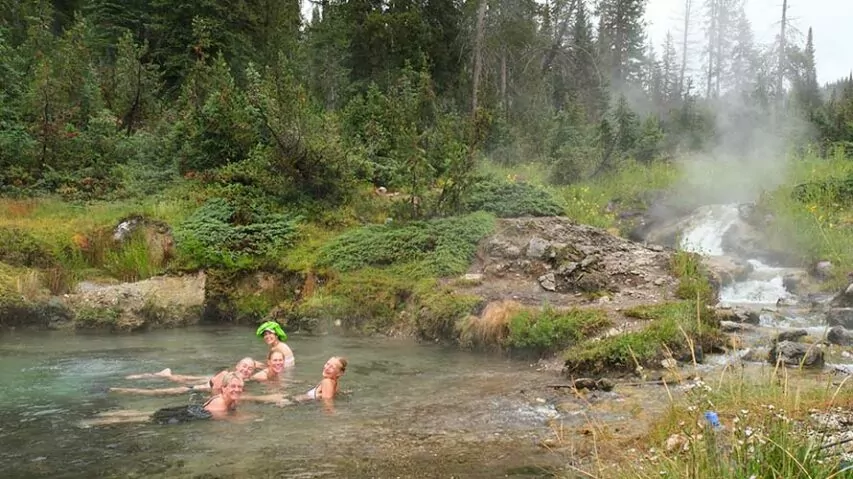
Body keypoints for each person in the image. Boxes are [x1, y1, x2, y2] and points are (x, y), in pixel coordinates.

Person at [80, 373, 245, 427]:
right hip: (187, 415)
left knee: (145, 414)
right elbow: (221, 421)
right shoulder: (221, 404)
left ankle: (106, 416)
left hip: (189, 409)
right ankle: (98, 422)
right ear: (223, 388)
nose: (237, 389)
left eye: (239, 387)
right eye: (233, 386)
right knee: (144, 418)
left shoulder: (228, 399)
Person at [111, 358, 255, 396]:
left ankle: (165, 374)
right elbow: (216, 392)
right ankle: (122, 389)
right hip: (192, 390)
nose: (246, 370)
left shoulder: (237, 379)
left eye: (250, 369)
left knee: (181, 379)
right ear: (237, 365)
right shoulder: (227, 375)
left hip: (196, 388)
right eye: (244, 366)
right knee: (155, 393)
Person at [242, 356, 347, 407]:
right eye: (327, 364)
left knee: (256, 398)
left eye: (332, 367)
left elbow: (327, 402)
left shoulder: (327, 381)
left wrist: (331, 416)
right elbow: (329, 396)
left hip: (294, 402)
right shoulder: (334, 383)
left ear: (339, 373)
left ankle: (244, 397)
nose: (327, 367)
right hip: (299, 402)